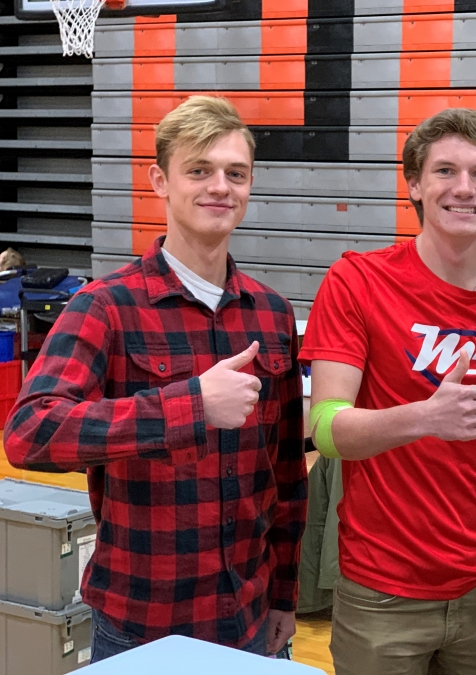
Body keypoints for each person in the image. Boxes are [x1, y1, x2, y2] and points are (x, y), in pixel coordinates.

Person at [3, 95, 306, 662]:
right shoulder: (106, 307)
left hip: (249, 614)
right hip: (141, 625)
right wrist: (190, 404)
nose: (220, 187)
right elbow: (30, 432)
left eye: (235, 173)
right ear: (160, 180)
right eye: (199, 170)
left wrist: (285, 595)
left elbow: (286, 477)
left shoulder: (272, 314)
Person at [300, 107, 476, 675]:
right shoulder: (358, 281)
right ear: (414, 184)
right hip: (382, 591)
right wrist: (423, 417)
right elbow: (325, 428)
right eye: (445, 171)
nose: (464, 188)